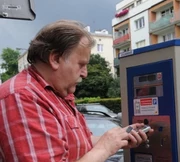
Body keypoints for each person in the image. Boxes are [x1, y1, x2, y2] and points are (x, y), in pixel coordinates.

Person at [0, 20, 153, 162]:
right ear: (55, 58)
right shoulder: (22, 96)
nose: (85, 73)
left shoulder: (56, 94)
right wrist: (104, 148)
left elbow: (77, 144)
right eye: (81, 64)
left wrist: (118, 138)